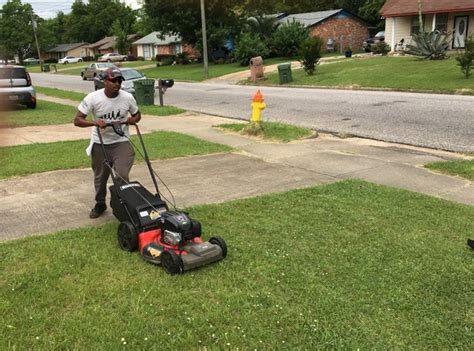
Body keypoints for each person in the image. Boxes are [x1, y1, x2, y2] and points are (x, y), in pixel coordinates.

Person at [74, 67, 141, 218]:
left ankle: (121, 203)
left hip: (121, 141)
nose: (117, 84)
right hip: (100, 143)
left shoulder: (127, 97)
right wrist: (95, 123)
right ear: (105, 81)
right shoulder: (93, 98)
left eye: (119, 81)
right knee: (100, 177)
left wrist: (131, 120)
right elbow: (77, 120)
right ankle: (100, 204)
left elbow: (137, 115)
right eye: (113, 81)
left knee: (122, 175)